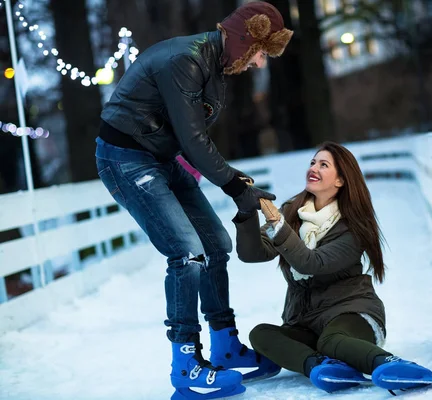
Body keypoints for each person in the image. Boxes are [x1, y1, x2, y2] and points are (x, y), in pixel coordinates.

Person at [94, 2, 293, 399]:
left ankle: (224, 346)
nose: (258, 63)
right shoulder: (183, 61)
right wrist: (237, 186)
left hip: (161, 158)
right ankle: (185, 364)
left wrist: (234, 182)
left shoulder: (214, 66)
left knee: (216, 246)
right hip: (126, 159)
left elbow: (192, 138)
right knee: (187, 253)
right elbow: (192, 138)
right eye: (258, 52)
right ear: (243, 40)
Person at [233, 142, 432, 394]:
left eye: (324, 165)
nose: (314, 168)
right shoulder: (292, 211)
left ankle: (389, 363)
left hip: (351, 314)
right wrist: (246, 213)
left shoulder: (353, 227)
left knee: (332, 340)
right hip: (306, 322)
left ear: (341, 180)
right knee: (261, 334)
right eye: (313, 162)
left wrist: (278, 225)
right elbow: (252, 254)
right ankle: (321, 365)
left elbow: (312, 263)